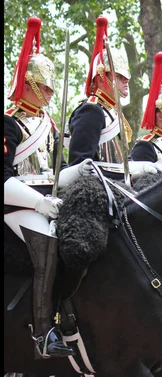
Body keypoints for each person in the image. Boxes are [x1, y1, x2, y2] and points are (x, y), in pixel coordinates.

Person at [4, 16, 76, 358]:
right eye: (45, 87)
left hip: (49, 202)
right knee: (47, 246)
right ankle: (44, 331)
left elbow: (55, 173)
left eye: (50, 88)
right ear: (29, 84)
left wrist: (82, 171)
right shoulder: (9, 122)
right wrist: (36, 203)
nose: (50, 93)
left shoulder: (49, 124)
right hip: (16, 206)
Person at [66, 16, 157, 182]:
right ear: (101, 78)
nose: (126, 80)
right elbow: (81, 166)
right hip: (98, 190)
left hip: (117, 185)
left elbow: (121, 160)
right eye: (120, 76)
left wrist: (139, 168)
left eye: (126, 76)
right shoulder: (91, 110)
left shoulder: (111, 111)